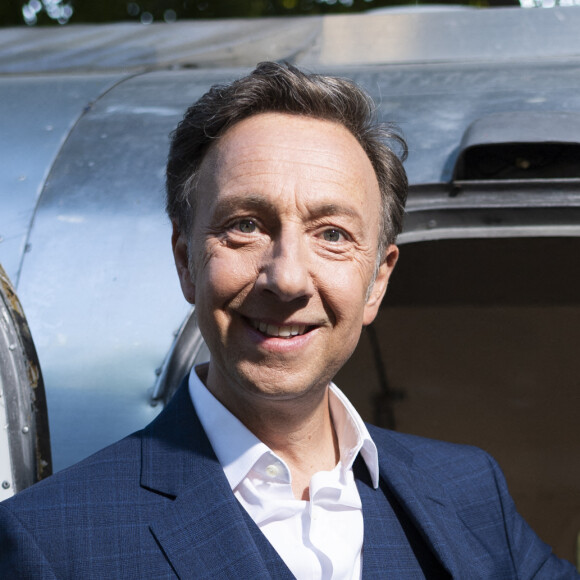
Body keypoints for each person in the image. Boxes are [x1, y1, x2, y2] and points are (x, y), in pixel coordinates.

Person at [0, 62, 577, 579]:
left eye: (332, 235)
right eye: (246, 225)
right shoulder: (51, 544)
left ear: (377, 279)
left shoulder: (469, 490)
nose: (289, 279)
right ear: (186, 261)